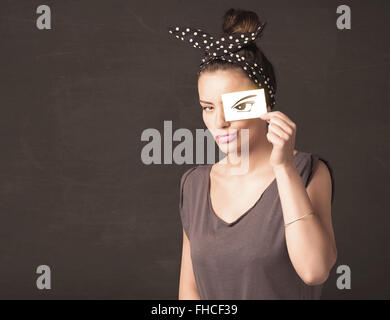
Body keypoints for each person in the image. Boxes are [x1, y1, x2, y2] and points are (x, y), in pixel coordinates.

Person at [171, 8, 337, 299]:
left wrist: (284, 168)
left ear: (264, 104)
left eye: (234, 105)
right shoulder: (193, 184)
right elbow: (189, 290)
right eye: (208, 107)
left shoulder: (307, 171)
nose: (219, 122)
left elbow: (314, 271)